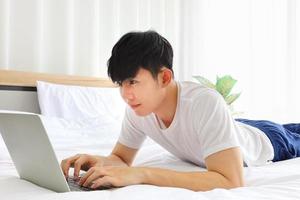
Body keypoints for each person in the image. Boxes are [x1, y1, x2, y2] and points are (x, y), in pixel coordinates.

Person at [61, 30, 300, 191]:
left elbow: (231, 180)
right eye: (121, 84)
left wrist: (142, 174)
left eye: (132, 82)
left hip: (269, 140)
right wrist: (96, 161)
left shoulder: (204, 103)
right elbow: (122, 159)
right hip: (235, 129)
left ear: (164, 77)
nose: (126, 94)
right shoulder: (137, 110)